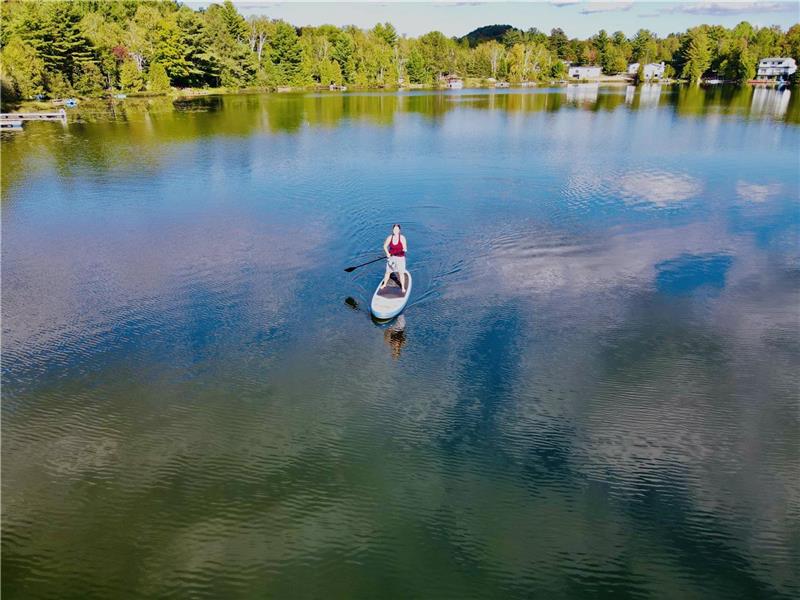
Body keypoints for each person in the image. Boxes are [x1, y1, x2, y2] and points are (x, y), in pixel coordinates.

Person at [380, 223, 408, 294]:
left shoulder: (402, 238)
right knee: (387, 272)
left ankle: (403, 287)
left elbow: (405, 247)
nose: (396, 230)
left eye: (397, 229)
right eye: (394, 229)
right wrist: (387, 253)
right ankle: (384, 284)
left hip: (400, 258)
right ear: (392, 230)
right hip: (391, 257)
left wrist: (404, 249)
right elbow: (385, 246)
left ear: (399, 230)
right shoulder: (390, 237)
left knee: (401, 273)